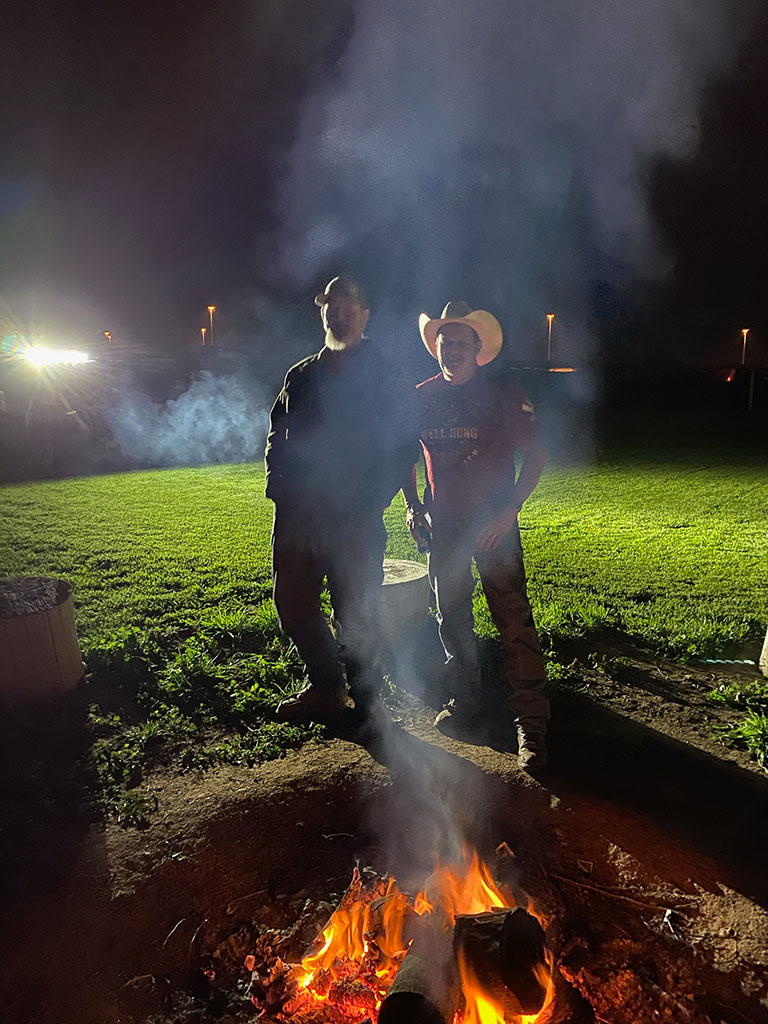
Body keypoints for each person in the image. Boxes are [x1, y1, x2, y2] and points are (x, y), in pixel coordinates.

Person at [402, 301, 550, 771]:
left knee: (513, 620)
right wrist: (412, 505)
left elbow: (538, 456)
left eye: (461, 344)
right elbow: (405, 455)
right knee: (452, 617)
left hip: (493, 527)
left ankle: (531, 723)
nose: (452, 352)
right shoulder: (420, 397)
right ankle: (466, 702)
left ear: (478, 349)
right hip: (444, 527)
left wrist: (510, 509)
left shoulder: (505, 395)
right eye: (445, 344)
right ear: (436, 349)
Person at [265, 276, 418, 722]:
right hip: (298, 514)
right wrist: (281, 488)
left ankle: (368, 701)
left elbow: (404, 442)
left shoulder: (385, 376)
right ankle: (327, 686)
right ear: (323, 313)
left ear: (365, 316)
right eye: (331, 307)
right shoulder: (302, 374)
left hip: (355, 516)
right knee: (291, 602)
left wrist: (375, 499)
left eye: (349, 307)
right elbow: (277, 434)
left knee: (356, 609)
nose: (339, 313)